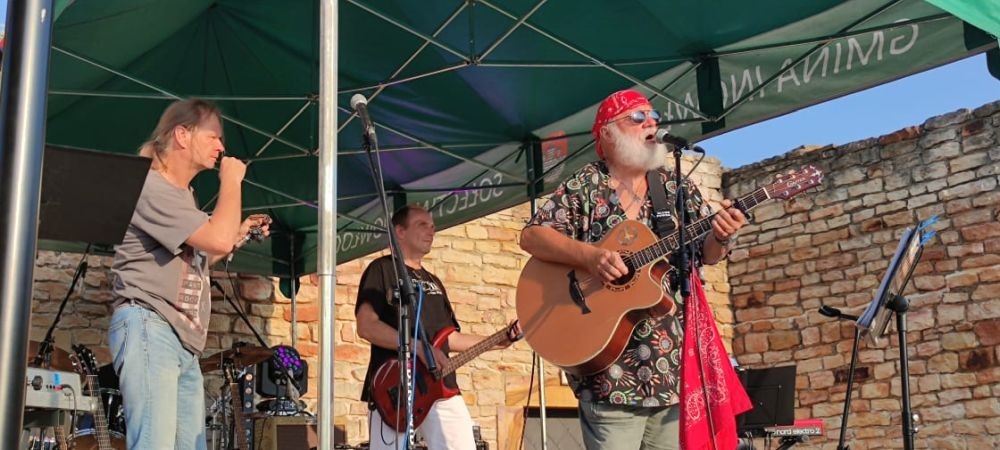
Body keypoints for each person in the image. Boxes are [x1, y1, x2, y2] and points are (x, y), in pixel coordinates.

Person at [519, 89, 749, 450]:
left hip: (672, 369)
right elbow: (533, 236)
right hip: (610, 372)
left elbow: (706, 255)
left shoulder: (675, 185)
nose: (651, 123)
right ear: (608, 133)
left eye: (654, 116)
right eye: (637, 117)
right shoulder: (587, 184)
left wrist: (721, 235)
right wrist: (590, 257)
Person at [108, 99, 270, 450]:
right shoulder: (150, 186)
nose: (221, 147)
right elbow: (216, 238)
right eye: (213, 136)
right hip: (151, 323)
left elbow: (199, 256)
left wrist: (239, 234)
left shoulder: (184, 196)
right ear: (182, 134)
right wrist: (232, 181)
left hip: (180, 337)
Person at [356, 205, 519, 450]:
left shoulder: (434, 281)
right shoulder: (381, 269)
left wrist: (499, 340)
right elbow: (366, 326)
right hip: (393, 387)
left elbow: (450, 338)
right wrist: (418, 347)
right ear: (400, 231)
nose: (431, 231)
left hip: (441, 387)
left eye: (433, 226)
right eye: (422, 225)